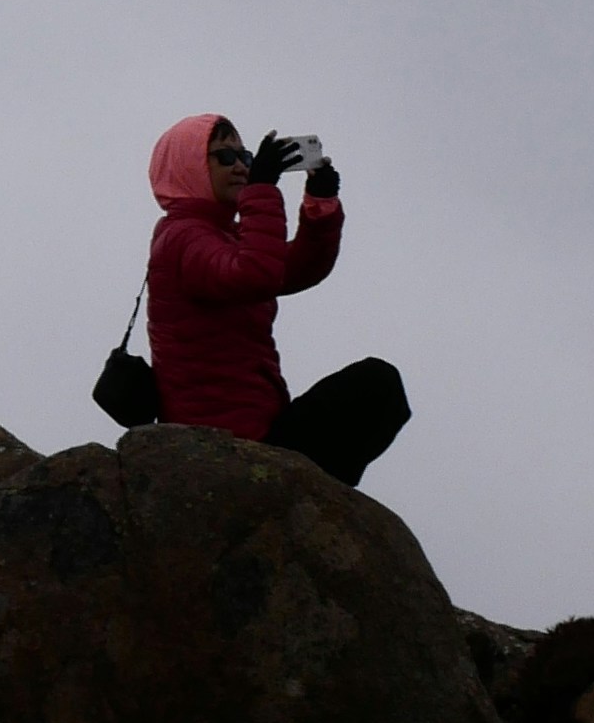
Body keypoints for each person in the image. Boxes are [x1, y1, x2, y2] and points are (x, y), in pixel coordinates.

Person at [143, 112, 409, 486]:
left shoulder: (221, 235)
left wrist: (320, 205)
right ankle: (307, 498)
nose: (240, 167)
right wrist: (263, 189)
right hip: (222, 443)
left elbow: (297, 269)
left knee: (381, 392)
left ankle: (309, 499)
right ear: (188, 168)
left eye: (246, 158)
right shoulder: (184, 237)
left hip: (252, 431)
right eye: (224, 157)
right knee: (375, 387)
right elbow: (255, 274)